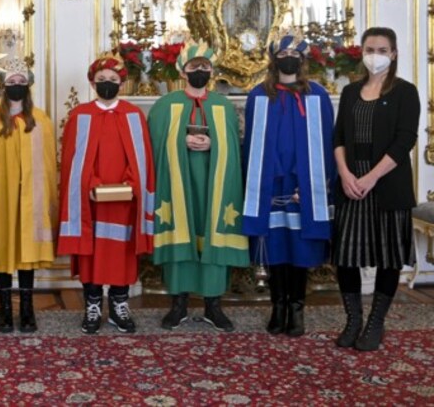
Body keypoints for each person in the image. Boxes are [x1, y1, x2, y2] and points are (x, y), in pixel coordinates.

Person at [148, 41, 249, 333]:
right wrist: (179, 142)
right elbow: (153, 144)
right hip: (178, 183)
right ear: (183, 70)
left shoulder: (221, 105)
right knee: (182, 231)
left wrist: (214, 143)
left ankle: (213, 305)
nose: (200, 71)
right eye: (195, 67)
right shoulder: (165, 105)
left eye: (205, 67)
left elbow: (233, 144)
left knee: (212, 234)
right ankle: (178, 304)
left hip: (213, 183)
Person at [242, 33, 336, 338]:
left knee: (299, 249)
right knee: (276, 248)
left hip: (303, 186)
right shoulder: (259, 96)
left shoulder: (317, 97)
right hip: (270, 185)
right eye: (283, 54)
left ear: (303, 60)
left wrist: (315, 186)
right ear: (274, 59)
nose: (289, 58)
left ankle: (297, 307)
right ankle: (277, 305)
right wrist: (260, 185)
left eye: (295, 54)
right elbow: (252, 146)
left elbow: (326, 144)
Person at [332, 27, 419, 351]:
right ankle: (353, 319)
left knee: (388, 256)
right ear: (362, 52)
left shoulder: (405, 92)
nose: (376, 55)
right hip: (351, 183)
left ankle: (375, 323)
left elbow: (404, 141)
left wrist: (371, 178)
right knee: (345, 257)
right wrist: (345, 174)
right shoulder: (351, 91)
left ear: (393, 54)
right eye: (370, 49)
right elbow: (338, 138)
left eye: (382, 50)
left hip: (387, 184)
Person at [58, 53, 155, 334]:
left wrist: (128, 185)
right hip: (91, 202)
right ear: (92, 83)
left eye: (113, 80)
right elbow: (73, 161)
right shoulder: (80, 115)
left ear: (122, 84)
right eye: (102, 80)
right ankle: (92, 305)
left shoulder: (133, 115)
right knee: (92, 252)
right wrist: (93, 185)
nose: (107, 84)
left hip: (124, 201)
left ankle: (119, 306)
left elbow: (142, 160)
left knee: (121, 253)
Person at [0, 57, 57, 333]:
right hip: (0, 194)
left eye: (21, 82)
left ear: (28, 85)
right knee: (4, 247)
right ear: (3, 86)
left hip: (32, 196)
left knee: (26, 250)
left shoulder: (40, 119)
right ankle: (4, 310)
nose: (16, 86)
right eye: (11, 82)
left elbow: (49, 163)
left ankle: (27, 310)